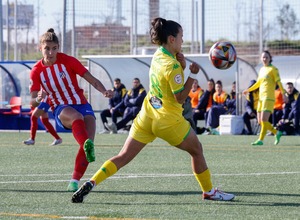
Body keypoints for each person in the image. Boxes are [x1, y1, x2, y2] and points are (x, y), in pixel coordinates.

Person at [72, 17, 235, 203]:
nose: (183, 40)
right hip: (167, 120)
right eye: (181, 37)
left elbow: (168, 78)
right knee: (197, 150)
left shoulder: (158, 55)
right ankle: (209, 192)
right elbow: (180, 97)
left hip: (147, 115)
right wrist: (192, 74)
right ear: (172, 39)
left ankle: (92, 182)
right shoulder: (172, 65)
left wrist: (181, 64)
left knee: (123, 156)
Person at [29, 28, 113, 192]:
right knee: (77, 119)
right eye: (47, 48)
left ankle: (74, 181)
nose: (51, 52)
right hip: (61, 108)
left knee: (88, 144)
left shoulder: (69, 61)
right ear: (41, 48)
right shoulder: (37, 71)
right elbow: (33, 102)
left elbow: (92, 79)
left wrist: (104, 91)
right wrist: (39, 98)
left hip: (82, 104)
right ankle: (86, 144)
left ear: (58, 48)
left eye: (54, 48)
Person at [243, 50, 287, 146]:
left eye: (266, 57)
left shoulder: (273, 69)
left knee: (264, 120)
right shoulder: (262, 69)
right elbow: (258, 83)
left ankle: (260, 140)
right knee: (260, 121)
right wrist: (248, 90)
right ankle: (276, 132)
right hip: (261, 98)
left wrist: (284, 93)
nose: (264, 59)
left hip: (269, 97)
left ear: (270, 58)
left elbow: (279, 82)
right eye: (263, 57)